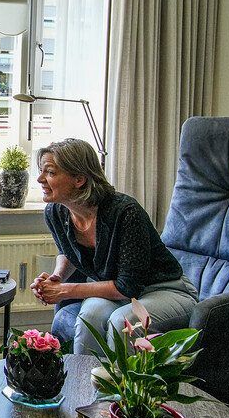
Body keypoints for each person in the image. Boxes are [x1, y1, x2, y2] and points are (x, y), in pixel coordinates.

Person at [30, 138, 198, 355]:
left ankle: (122, 388)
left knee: (123, 323)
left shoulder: (125, 212)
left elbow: (128, 287)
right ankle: (82, 385)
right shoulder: (55, 212)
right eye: (41, 171)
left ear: (79, 179)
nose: (40, 179)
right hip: (118, 291)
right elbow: (68, 252)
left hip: (164, 290)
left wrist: (64, 290)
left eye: (50, 172)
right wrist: (57, 277)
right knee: (88, 318)